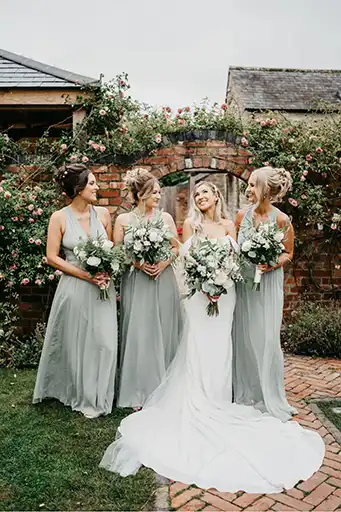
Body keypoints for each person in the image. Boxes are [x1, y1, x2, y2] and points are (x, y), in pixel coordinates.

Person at [100, 181, 324, 493]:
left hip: (227, 295)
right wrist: (205, 283)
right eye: (196, 194)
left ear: (217, 195)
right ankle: (197, 399)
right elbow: (186, 260)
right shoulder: (190, 225)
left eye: (206, 192)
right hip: (198, 296)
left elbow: (236, 260)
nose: (200, 197)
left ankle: (219, 399)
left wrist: (223, 281)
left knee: (221, 347)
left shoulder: (230, 224)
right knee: (198, 345)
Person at [33, 164, 117, 419]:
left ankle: (100, 394)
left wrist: (106, 272)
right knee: (77, 341)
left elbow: (110, 249)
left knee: (105, 342)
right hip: (74, 286)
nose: (96, 187)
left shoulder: (103, 214)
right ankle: (80, 392)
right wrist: (85, 275)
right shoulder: (58, 218)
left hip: (102, 287)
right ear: (78, 189)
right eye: (91, 183)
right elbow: (51, 257)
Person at [114, 168, 183, 410]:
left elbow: (176, 248)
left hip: (163, 280)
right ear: (141, 194)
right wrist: (139, 263)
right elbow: (118, 251)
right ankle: (140, 389)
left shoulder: (165, 219)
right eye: (154, 191)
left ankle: (167, 387)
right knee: (140, 331)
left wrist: (162, 263)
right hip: (137, 282)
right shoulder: (123, 220)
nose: (159, 195)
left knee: (164, 329)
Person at [233, 166, 297, 422]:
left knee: (267, 337)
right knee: (245, 335)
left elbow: (288, 253)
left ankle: (269, 394)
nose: (248, 190)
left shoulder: (281, 220)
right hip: (245, 284)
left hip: (269, 284)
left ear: (266, 190)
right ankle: (245, 392)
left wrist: (270, 263)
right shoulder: (240, 216)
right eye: (248, 185)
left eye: (252, 185)